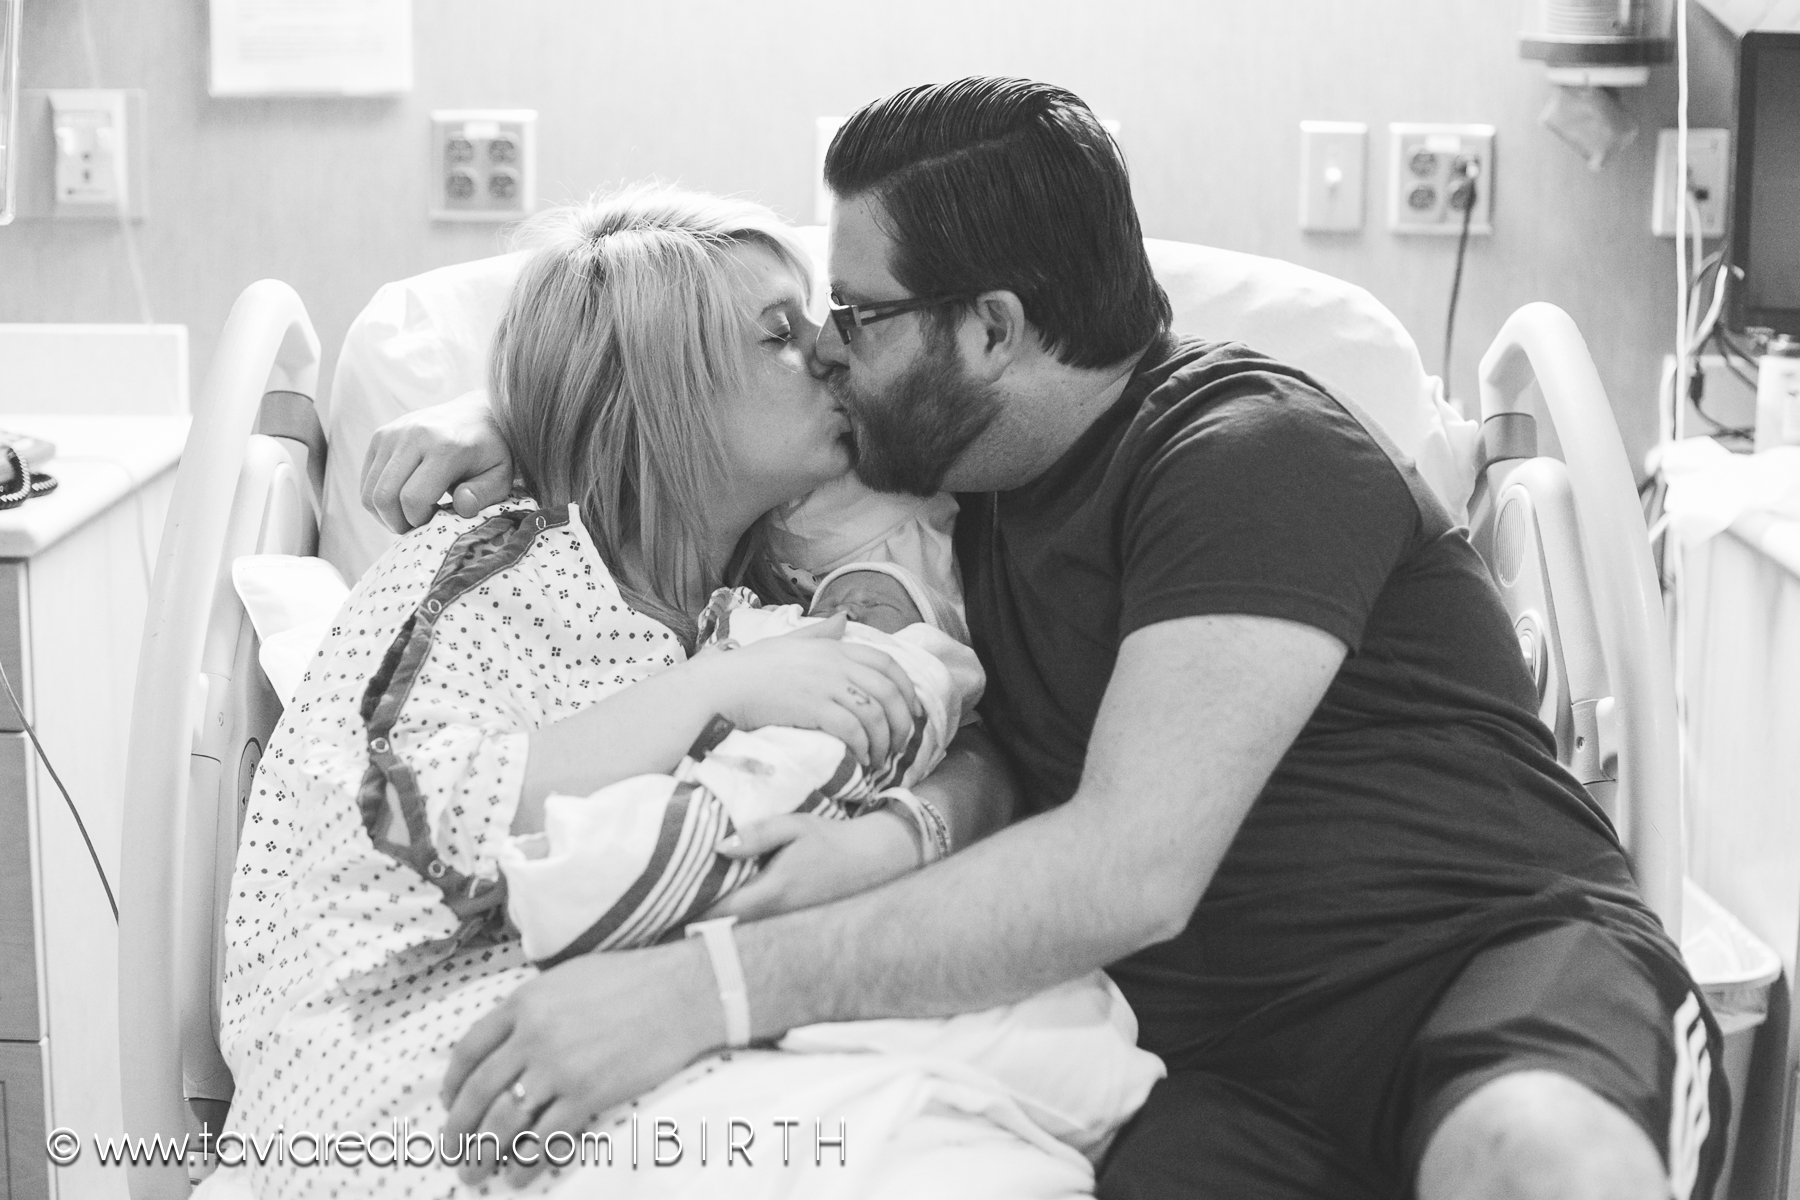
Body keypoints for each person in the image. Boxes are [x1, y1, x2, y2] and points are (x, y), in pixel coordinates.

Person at [371, 81, 1728, 1200]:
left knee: (1526, 1163)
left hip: (1489, 968)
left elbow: (1131, 868)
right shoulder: (949, 483)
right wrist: (524, 423)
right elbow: (696, 381)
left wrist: (699, 992)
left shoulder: (1248, 457)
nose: (831, 352)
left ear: (992, 329)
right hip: (1228, 1080)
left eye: (858, 318)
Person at [212, 185, 1176, 1199]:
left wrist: (893, 834)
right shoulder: (489, 567)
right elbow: (395, 807)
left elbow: (959, 740)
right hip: (427, 1056)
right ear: (660, 390)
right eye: (779, 334)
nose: (830, 353)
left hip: (679, 1016)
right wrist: (726, 687)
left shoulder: (787, 595)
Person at [498, 561, 985, 966]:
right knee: (675, 796)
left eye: (877, 605)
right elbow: (735, 636)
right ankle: (576, 869)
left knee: (741, 814)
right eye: (829, 603)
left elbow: (951, 683)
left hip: (819, 749)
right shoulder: (777, 630)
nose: (847, 610)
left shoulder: (917, 656)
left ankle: (574, 881)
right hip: (724, 739)